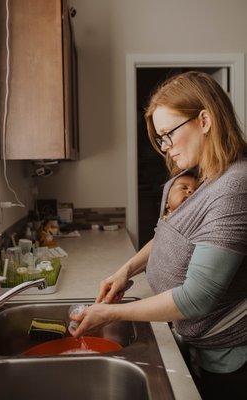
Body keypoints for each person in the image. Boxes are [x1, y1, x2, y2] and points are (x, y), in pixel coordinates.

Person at [70, 71, 247, 399]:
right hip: (202, 347)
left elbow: (197, 297)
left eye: (168, 135)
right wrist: (126, 270)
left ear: (204, 120)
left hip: (231, 360)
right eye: (160, 139)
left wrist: (110, 313)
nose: (165, 149)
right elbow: (170, 235)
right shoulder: (204, 177)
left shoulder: (234, 186)